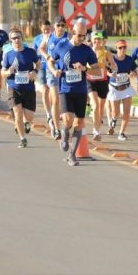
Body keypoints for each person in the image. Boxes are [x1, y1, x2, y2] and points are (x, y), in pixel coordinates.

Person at [47, 18, 100, 166]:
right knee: (68, 120)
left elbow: (98, 70)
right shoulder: (62, 45)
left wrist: (85, 69)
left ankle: (72, 155)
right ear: (72, 32)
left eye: (84, 36)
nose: (82, 38)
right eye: (79, 35)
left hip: (81, 90)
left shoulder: (87, 50)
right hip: (65, 89)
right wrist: (53, 71)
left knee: (80, 123)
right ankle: (64, 136)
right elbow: (50, 60)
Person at [2, 28, 41, 148]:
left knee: (28, 116)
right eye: (13, 38)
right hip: (14, 88)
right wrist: (9, 71)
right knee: (17, 113)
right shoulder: (8, 55)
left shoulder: (30, 52)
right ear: (10, 40)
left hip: (28, 88)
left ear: (22, 38)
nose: (16, 40)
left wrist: (34, 71)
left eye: (18, 37)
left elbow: (38, 63)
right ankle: (22, 138)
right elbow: (2, 72)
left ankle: (26, 123)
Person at [39, 16, 69, 140]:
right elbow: (41, 48)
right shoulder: (49, 36)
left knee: (65, 100)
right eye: (58, 25)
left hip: (66, 71)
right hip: (52, 71)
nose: (61, 28)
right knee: (55, 99)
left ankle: (66, 124)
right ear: (54, 26)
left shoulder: (69, 36)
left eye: (63, 25)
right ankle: (57, 128)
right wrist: (47, 57)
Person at [87, 31, 115, 141]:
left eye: (99, 39)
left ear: (102, 41)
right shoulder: (88, 51)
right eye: (95, 39)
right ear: (92, 40)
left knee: (100, 108)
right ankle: (96, 131)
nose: (97, 41)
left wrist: (108, 65)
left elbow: (113, 65)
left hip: (103, 81)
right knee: (95, 106)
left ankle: (97, 128)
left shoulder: (106, 53)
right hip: (90, 80)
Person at [108, 39, 137, 141]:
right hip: (114, 87)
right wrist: (110, 74)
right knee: (116, 112)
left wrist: (134, 73)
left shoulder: (129, 59)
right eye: (120, 48)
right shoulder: (111, 59)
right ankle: (114, 119)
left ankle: (121, 133)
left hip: (126, 87)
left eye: (124, 47)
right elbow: (105, 70)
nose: (122, 50)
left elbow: (134, 70)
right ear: (116, 49)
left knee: (126, 112)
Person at [33, 20, 53, 127]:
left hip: (52, 68)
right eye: (44, 29)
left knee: (53, 91)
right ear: (41, 29)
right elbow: (34, 54)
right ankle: (48, 114)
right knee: (45, 89)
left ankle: (54, 110)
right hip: (42, 68)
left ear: (51, 28)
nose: (46, 31)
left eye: (48, 29)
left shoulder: (54, 38)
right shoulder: (37, 39)